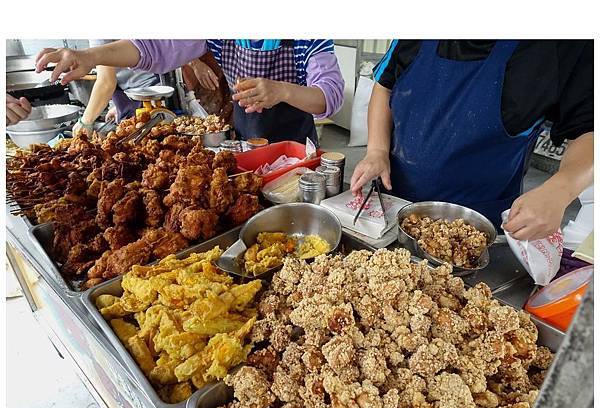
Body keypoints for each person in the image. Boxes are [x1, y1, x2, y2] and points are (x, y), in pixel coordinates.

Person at [350, 40, 593, 240]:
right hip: (392, 208)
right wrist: (377, 150)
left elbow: (588, 129)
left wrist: (561, 189)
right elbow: (385, 86)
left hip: (479, 227)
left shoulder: (559, 44)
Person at [35, 39, 344, 144]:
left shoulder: (308, 36)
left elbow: (329, 97)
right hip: (245, 138)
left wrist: (281, 91)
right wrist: (90, 56)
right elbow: (154, 48)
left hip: (295, 148)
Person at [72, 39, 160, 135]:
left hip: (147, 97)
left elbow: (106, 82)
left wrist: (85, 122)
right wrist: (117, 107)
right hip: (140, 93)